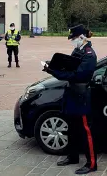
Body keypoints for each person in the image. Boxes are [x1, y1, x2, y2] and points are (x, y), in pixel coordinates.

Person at [42, 24, 98, 175]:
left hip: (81, 95)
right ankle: (72, 156)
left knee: (86, 131)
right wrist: (54, 65)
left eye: (73, 38)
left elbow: (77, 75)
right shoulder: (78, 50)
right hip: (72, 93)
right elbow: (69, 66)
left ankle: (91, 163)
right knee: (71, 128)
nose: (72, 41)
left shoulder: (89, 54)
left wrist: (54, 72)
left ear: (81, 37)